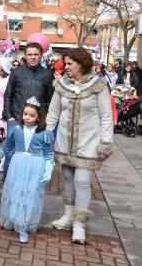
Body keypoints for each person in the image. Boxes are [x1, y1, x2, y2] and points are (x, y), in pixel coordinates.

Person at [46, 48, 113, 244]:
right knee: (67, 179)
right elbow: (53, 114)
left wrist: (105, 143)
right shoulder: (61, 85)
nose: (65, 67)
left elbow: (106, 117)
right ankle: (68, 216)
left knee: (82, 181)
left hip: (89, 142)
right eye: (65, 64)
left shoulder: (99, 86)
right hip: (65, 142)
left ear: (81, 64)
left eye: (69, 64)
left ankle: (79, 224)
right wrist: (45, 136)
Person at [0, 98, 54, 243]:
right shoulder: (17, 129)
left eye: (32, 115)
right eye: (25, 114)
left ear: (39, 117)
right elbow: (8, 147)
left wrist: (48, 170)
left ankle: (23, 226)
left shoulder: (44, 133)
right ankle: (13, 219)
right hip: (18, 164)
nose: (27, 118)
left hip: (35, 165)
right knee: (16, 191)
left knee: (30, 193)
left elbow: (48, 154)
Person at [2, 42, 54, 178]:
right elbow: (8, 94)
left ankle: (26, 188)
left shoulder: (48, 75)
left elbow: (50, 100)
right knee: (10, 156)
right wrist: (8, 116)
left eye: (36, 54)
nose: (32, 57)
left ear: (41, 55)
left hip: (37, 124)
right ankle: (7, 189)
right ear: (25, 56)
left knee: (34, 157)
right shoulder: (17, 72)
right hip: (16, 120)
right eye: (30, 54)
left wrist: (45, 119)